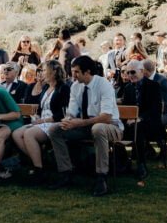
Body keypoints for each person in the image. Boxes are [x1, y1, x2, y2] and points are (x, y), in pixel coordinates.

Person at [48, 56, 123, 197]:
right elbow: (72, 111)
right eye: (72, 72)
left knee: (98, 128)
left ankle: (101, 176)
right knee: (54, 130)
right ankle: (66, 172)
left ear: (87, 72)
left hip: (111, 126)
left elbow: (106, 117)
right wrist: (67, 120)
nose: (73, 75)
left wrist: (80, 123)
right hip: (86, 127)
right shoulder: (75, 86)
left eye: (76, 72)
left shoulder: (104, 85)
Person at [12, 59, 70, 184]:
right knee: (16, 134)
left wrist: (43, 120)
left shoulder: (63, 88)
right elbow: (41, 108)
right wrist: (37, 116)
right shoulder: (46, 88)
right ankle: (41, 160)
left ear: (53, 72)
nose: (41, 73)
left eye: (44, 70)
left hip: (53, 122)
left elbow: (62, 113)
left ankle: (38, 169)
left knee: (29, 134)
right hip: (42, 121)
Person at [121, 60, 166, 184]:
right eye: (127, 73)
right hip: (132, 123)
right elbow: (126, 108)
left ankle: (141, 164)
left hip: (151, 122)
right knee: (117, 127)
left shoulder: (154, 86)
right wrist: (127, 119)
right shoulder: (128, 88)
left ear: (141, 71)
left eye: (132, 72)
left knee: (138, 127)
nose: (130, 75)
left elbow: (155, 109)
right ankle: (122, 161)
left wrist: (139, 118)